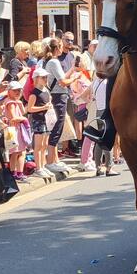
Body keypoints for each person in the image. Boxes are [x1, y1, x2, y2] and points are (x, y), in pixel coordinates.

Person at [41, 38, 77, 173]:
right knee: (56, 128)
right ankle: (50, 161)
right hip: (58, 96)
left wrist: (73, 69)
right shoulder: (54, 62)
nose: (62, 49)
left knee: (58, 128)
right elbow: (63, 82)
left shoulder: (49, 61)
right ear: (57, 48)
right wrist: (74, 78)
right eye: (61, 46)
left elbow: (61, 78)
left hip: (57, 96)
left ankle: (55, 159)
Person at [26, 68, 54, 179]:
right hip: (38, 120)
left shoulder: (46, 90)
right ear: (36, 79)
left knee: (44, 145)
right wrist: (43, 107)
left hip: (46, 119)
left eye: (46, 77)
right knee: (38, 145)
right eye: (43, 77)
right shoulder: (34, 93)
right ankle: (39, 168)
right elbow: (30, 109)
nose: (45, 79)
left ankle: (43, 165)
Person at [2, 81, 29, 183]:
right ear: (9, 91)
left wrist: (20, 103)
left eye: (19, 90)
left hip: (14, 129)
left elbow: (22, 112)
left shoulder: (14, 102)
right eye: (15, 90)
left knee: (16, 152)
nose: (17, 92)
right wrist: (23, 119)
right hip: (14, 129)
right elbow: (14, 118)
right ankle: (18, 172)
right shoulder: (11, 103)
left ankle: (14, 172)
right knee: (19, 152)